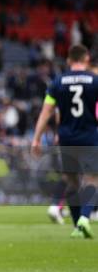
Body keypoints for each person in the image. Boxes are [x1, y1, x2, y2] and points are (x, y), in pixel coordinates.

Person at [32, 44, 98, 238]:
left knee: (71, 180)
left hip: (66, 137)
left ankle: (77, 225)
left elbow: (47, 112)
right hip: (89, 135)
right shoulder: (95, 80)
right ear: (86, 59)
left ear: (69, 60)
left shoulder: (58, 82)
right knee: (93, 178)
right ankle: (85, 218)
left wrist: (36, 138)